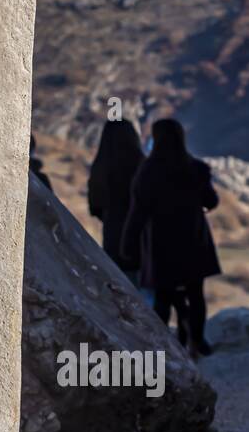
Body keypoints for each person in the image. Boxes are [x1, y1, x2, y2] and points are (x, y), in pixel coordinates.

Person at [121, 118, 220, 357]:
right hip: (193, 239)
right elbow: (211, 201)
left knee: (163, 297)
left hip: (161, 243)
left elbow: (138, 213)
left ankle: (163, 349)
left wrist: (128, 245)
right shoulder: (195, 168)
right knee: (196, 293)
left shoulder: (147, 172)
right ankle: (197, 342)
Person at [87, 118, 143, 275]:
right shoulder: (142, 165)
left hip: (113, 231)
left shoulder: (102, 166)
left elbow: (95, 204)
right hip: (142, 235)